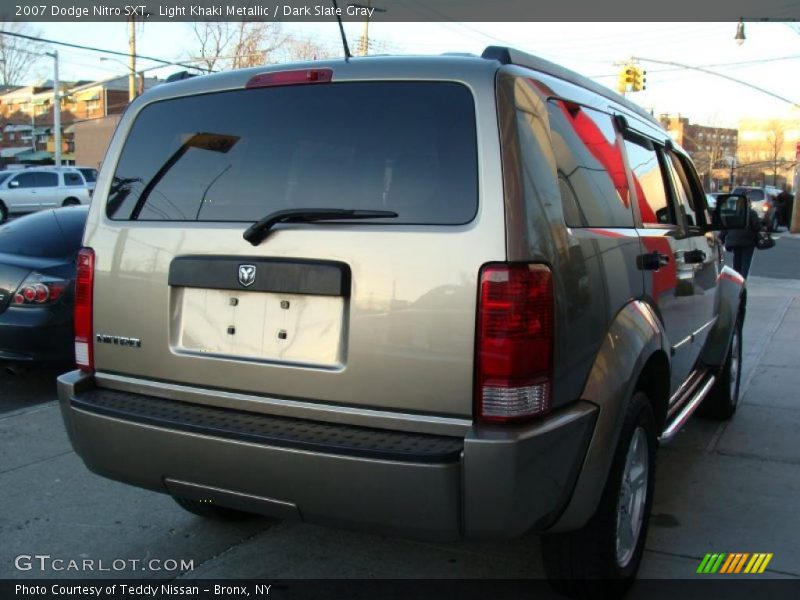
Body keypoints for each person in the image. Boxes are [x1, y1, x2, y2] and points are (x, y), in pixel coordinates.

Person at [720, 197, 762, 279]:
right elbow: (757, 227)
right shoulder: (752, 213)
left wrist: (721, 238)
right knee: (745, 263)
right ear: (748, 203)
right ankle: (742, 282)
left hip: (735, 242)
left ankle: (736, 280)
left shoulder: (733, 213)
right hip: (748, 242)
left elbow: (726, 227)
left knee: (736, 262)